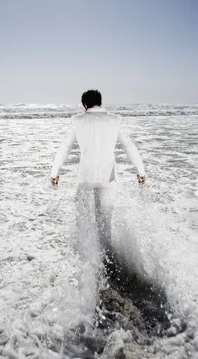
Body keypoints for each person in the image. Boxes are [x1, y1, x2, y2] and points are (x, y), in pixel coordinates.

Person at [50, 89, 146, 260]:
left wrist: (55, 172)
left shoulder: (77, 120)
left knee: (83, 221)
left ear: (84, 105)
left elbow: (65, 147)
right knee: (105, 224)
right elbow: (128, 145)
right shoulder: (115, 120)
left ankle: (86, 260)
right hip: (107, 179)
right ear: (101, 103)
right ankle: (106, 260)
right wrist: (140, 170)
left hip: (85, 179)